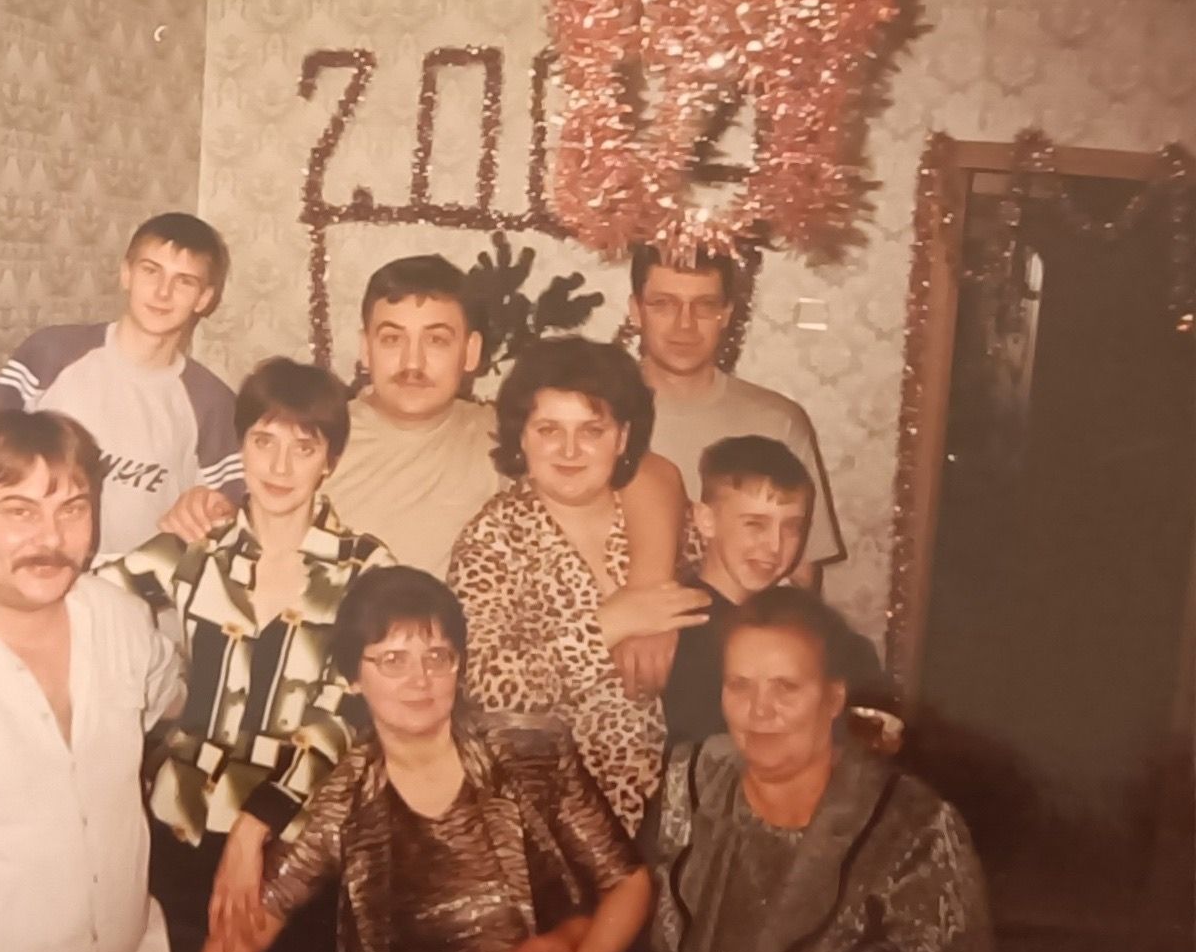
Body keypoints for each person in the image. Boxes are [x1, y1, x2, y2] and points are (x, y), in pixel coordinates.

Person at [160, 256, 689, 694]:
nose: (412, 361)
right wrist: (204, 508)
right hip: (315, 689)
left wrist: (648, 591)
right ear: (365, 347)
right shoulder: (316, 437)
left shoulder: (501, 435)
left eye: (436, 340)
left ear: (471, 352)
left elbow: (647, 470)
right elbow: (241, 518)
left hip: (436, 697)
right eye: (392, 339)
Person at [195, 567, 652, 952]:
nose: (421, 680)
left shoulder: (531, 752)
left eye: (437, 656)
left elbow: (628, 883)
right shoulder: (340, 799)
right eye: (393, 660)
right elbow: (240, 937)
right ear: (352, 678)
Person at [99, 358, 396, 952]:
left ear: (330, 460)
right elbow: (78, 594)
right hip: (179, 823)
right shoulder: (195, 550)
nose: (280, 466)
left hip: (300, 838)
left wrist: (254, 826)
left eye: (304, 447)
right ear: (241, 448)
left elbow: (349, 714)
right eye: (264, 441)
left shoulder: (364, 569)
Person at [0, 410, 187, 952]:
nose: (50, 539)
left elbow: (168, 705)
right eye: (19, 511)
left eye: (72, 509)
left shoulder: (123, 620)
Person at [644, 588, 998, 952]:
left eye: (786, 687)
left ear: (833, 698)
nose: (759, 710)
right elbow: (633, 935)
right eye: (740, 685)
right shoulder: (692, 780)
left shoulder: (914, 827)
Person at [450, 336, 709, 834]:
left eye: (592, 430)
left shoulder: (662, 522)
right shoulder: (493, 539)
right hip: (554, 816)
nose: (569, 450)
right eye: (548, 429)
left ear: (622, 437)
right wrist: (609, 625)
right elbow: (486, 687)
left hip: (678, 803)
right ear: (521, 437)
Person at [0, 212, 244, 559]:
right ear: (126, 273)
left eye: (184, 282)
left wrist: (211, 507)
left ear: (204, 298)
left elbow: (233, 507)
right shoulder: (51, 354)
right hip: (32, 566)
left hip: (139, 584)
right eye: (151, 271)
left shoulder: (211, 401)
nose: (163, 292)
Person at [629, 243, 845, 590]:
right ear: (636, 311)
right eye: (664, 304)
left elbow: (801, 576)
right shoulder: (595, 422)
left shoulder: (777, 422)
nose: (685, 325)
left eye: (705, 306)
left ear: (726, 314)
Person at [664, 436, 898, 751]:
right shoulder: (686, 631)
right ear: (706, 520)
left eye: (791, 527)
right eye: (755, 525)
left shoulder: (794, 613)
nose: (775, 546)